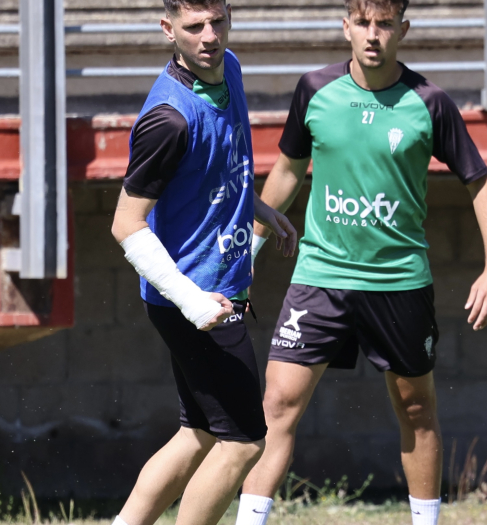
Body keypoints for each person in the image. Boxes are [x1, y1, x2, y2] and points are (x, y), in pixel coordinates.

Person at [234, 1, 487, 524]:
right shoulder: (314, 89)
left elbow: (480, 184)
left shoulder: (430, 102)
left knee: (417, 410)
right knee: (276, 407)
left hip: (398, 284)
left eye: (384, 24)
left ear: (403, 29)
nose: (373, 34)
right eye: (363, 23)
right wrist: (248, 252)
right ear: (346, 28)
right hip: (320, 278)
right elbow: (287, 173)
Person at [109, 1, 298, 524]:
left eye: (217, 22)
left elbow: (218, 166)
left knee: (196, 434)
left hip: (215, 291)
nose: (209, 36)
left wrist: (260, 208)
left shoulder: (229, 68)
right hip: (197, 301)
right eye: (194, 27)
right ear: (168, 29)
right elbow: (126, 224)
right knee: (243, 444)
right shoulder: (167, 120)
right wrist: (193, 302)